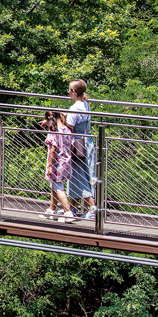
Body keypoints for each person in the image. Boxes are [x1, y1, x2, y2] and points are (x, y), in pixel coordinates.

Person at [66, 80, 98, 220]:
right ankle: (71, 207)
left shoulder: (74, 108)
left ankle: (93, 207)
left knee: (79, 176)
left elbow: (69, 128)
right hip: (87, 142)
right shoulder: (86, 105)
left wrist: (60, 118)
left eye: (69, 90)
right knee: (81, 175)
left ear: (74, 91)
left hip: (77, 145)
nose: (68, 92)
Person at [43, 110, 77, 223]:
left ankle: (68, 212)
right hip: (66, 161)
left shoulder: (54, 131)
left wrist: (50, 166)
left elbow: (53, 149)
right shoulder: (67, 129)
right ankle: (52, 209)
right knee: (55, 185)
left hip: (57, 163)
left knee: (58, 187)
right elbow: (72, 146)